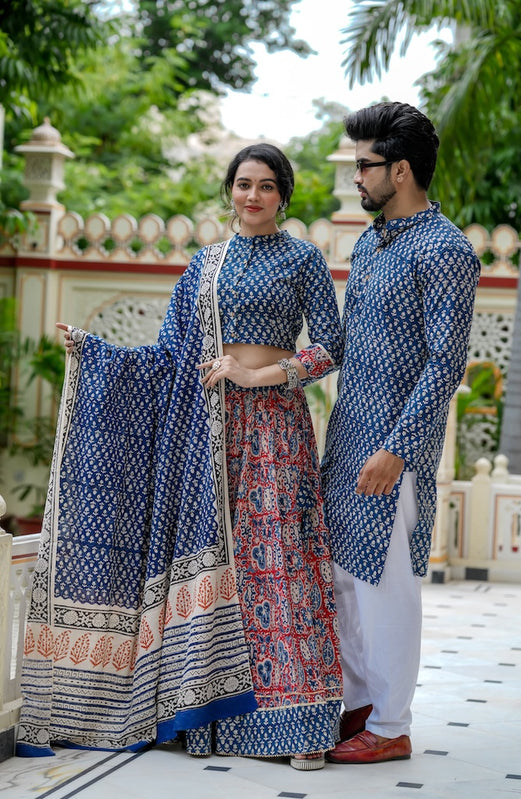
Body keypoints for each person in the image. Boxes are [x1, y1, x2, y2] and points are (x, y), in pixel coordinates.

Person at [16, 143, 343, 771]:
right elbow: (169, 358)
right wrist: (96, 354)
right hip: (206, 432)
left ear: (284, 195)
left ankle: (302, 725)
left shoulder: (303, 259)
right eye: (243, 183)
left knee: (281, 564)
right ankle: (214, 721)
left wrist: (260, 375)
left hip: (275, 430)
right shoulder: (205, 265)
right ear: (230, 191)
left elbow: (330, 347)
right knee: (225, 567)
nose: (253, 195)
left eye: (266, 185)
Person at [320, 102, 481, 764]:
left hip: (394, 451)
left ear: (401, 169)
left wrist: (396, 447)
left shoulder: (445, 250)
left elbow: (444, 364)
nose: (356, 176)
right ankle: (359, 704)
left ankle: (391, 726)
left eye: (365, 165)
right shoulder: (372, 241)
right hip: (346, 438)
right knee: (345, 579)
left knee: (385, 584)